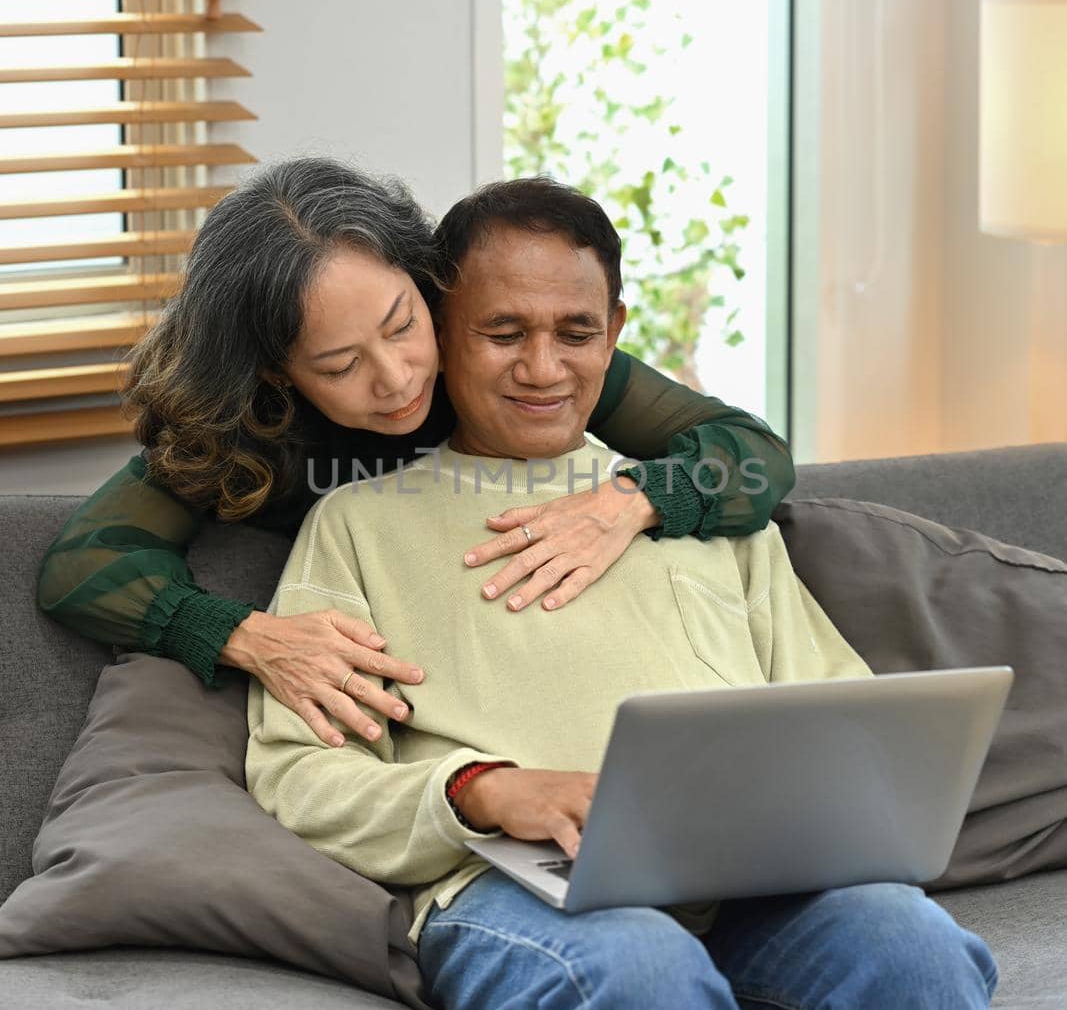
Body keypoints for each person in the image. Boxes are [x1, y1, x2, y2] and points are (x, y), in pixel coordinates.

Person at [245, 177, 1004, 1010]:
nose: (542, 367)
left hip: (753, 884)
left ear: (615, 331)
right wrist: (483, 790)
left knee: (912, 946)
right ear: (443, 328)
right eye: (501, 333)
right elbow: (298, 776)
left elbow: (836, 704)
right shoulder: (358, 528)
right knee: (641, 970)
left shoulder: (693, 508)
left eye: (573, 331)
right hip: (519, 893)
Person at [36, 159, 795, 748]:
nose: (397, 379)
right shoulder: (240, 428)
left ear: (426, 287)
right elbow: (83, 563)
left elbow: (752, 452)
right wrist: (246, 636)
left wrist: (630, 501)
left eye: (403, 326)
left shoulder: (521, 365)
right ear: (275, 373)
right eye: (338, 365)